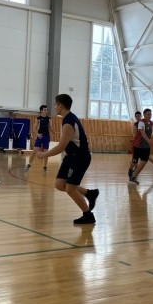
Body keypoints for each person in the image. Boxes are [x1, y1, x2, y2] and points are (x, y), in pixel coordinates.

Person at [36, 94, 99, 224]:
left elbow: (61, 147)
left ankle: (88, 215)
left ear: (61, 106)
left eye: (55, 104)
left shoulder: (69, 122)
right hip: (71, 156)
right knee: (60, 184)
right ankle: (89, 194)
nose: (54, 107)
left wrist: (43, 155)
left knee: (70, 188)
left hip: (79, 157)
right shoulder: (66, 119)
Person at [128, 111, 153, 178]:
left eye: (139, 116)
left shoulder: (150, 123)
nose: (138, 117)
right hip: (137, 145)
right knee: (135, 161)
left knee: (145, 158)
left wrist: (150, 140)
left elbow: (150, 133)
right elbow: (137, 135)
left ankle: (134, 175)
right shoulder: (137, 124)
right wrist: (146, 140)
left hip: (145, 145)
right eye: (136, 116)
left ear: (141, 116)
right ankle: (131, 169)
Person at [26, 105, 51, 171]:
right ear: (41, 111)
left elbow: (50, 127)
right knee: (34, 151)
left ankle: (44, 167)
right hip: (40, 136)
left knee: (46, 152)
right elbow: (34, 128)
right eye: (45, 110)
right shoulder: (38, 118)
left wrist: (53, 131)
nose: (46, 111)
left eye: (47, 110)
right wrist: (37, 134)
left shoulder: (49, 118)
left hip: (46, 137)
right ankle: (29, 164)